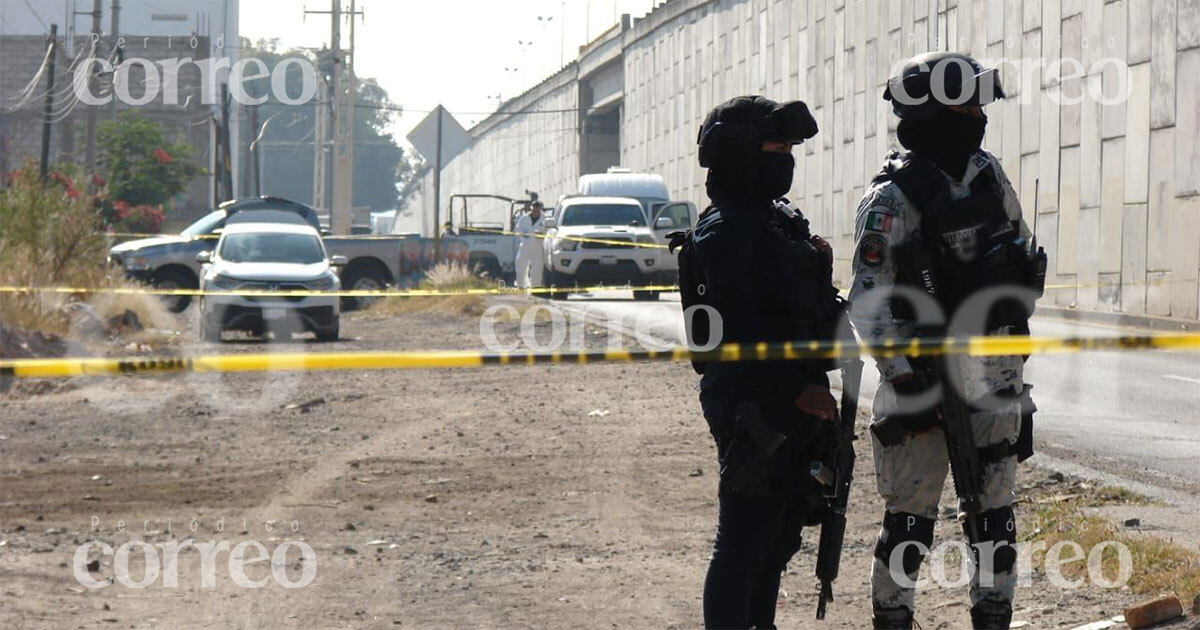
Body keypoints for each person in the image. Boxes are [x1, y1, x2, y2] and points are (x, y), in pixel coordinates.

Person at [848, 52, 1040, 630]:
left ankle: (993, 615)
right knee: (909, 523)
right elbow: (869, 301)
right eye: (969, 105)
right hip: (919, 385)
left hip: (993, 377)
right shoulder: (891, 200)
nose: (980, 115)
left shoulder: (988, 175)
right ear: (939, 113)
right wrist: (910, 379)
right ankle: (893, 618)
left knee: (995, 518)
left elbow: (1020, 252)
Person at [676, 95, 844, 628]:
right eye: (777, 147)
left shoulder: (779, 222)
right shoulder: (724, 231)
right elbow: (734, 336)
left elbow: (804, 310)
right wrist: (794, 391)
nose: (786, 158)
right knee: (745, 536)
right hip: (752, 400)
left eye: (790, 148)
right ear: (740, 153)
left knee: (779, 535)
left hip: (799, 393)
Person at [513, 200, 545, 289]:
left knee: (537, 267)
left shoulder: (544, 219)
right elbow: (517, 230)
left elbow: (548, 232)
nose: (535, 209)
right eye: (534, 207)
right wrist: (523, 235)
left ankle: (535, 286)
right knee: (521, 265)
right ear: (531, 207)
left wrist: (541, 235)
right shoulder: (524, 218)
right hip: (525, 245)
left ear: (540, 208)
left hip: (538, 246)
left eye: (537, 208)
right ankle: (521, 285)